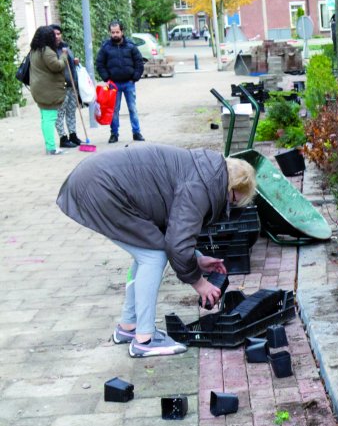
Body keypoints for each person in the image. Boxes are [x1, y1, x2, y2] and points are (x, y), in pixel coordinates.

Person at [56, 145, 257, 358]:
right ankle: (145, 339)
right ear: (231, 188)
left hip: (96, 179)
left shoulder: (205, 172)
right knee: (152, 256)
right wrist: (200, 283)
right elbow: (176, 244)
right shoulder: (200, 188)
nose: (230, 207)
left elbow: (170, 231)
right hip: (101, 186)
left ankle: (129, 325)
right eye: (234, 201)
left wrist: (197, 258)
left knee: (146, 252)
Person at [95, 20, 145, 143]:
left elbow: (139, 62)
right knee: (114, 110)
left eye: (117, 32)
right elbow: (100, 64)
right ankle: (114, 134)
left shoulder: (131, 46)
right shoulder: (105, 47)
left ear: (122, 32)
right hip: (114, 85)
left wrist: (135, 77)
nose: (115, 35)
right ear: (110, 33)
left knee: (132, 108)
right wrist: (106, 78)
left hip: (129, 83)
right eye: (113, 32)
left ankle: (136, 133)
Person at [27, 25, 69, 155]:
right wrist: (63, 56)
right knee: (50, 118)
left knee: (45, 118)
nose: (55, 38)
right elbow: (56, 66)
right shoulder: (46, 51)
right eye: (52, 35)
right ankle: (51, 147)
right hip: (48, 91)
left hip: (39, 89)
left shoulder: (34, 50)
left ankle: (49, 145)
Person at [51, 25, 83, 149]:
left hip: (71, 85)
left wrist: (75, 62)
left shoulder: (66, 47)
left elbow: (71, 64)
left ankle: (73, 135)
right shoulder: (50, 50)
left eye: (59, 34)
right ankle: (63, 138)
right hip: (60, 86)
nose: (57, 36)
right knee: (60, 112)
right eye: (54, 34)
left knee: (71, 111)